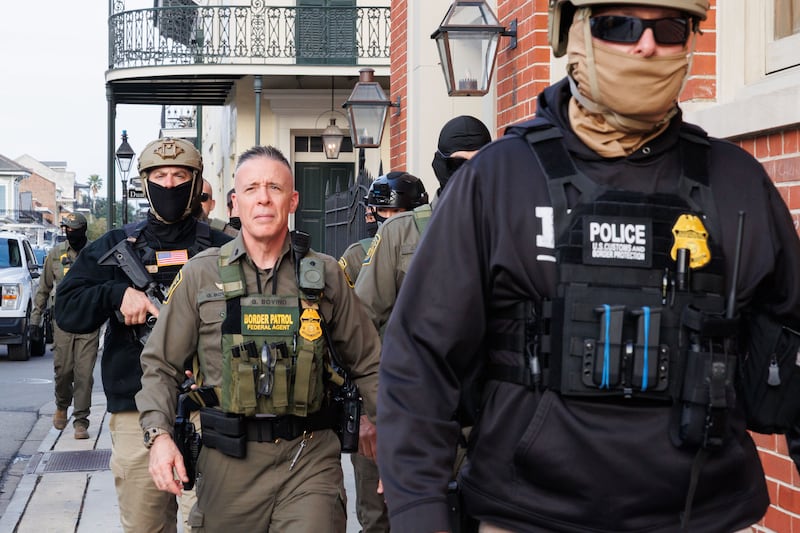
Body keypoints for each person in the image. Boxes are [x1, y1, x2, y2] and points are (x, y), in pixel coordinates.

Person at [376, 1, 800, 532]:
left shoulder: (736, 186)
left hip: (705, 516)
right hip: (527, 515)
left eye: (668, 27)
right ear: (573, 32)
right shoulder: (499, 182)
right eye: (618, 24)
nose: (646, 45)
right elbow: (417, 363)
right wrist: (421, 516)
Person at [135, 145, 381, 532]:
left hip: (308, 457)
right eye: (251, 189)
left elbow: (370, 363)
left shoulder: (327, 275)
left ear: (293, 200)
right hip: (227, 463)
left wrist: (396, 440)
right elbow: (160, 364)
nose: (263, 198)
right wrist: (159, 435)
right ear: (235, 202)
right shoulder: (201, 275)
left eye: (274, 187)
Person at [54, 137, 232, 533]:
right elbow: (66, 309)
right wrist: (116, 294)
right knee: (145, 526)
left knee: (211, 522)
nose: (169, 185)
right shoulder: (117, 246)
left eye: (180, 176)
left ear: (195, 181)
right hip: (136, 411)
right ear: (145, 183)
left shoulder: (225, 249)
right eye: (160, 175)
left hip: (213, 410)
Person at [354, 120, 489, 331]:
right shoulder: (400, 233)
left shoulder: (511, 228)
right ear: (442, 166)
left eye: (481, 162)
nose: (470, 173)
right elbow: (362, 321)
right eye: (458, 165)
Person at [30, 212, 100, 439]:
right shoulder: (56, 254)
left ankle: (81, 421)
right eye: (66, 230)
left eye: (74, 230)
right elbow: (43, 290)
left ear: (83, 230)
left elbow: (107, 286)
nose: (70, 234)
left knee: (84, 374)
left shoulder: (94, 253)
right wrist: (35, 321)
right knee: (63, 371)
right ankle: (62, 404)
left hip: (89, 322)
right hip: (62, 322)